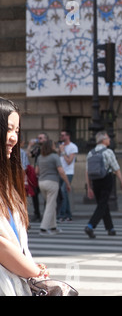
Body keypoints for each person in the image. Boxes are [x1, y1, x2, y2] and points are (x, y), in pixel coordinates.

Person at [0, 97, 49, 295]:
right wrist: (36, 272)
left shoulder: (8, 185)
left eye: (17, 131)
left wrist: (28, 266)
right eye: (8, 129)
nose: (13, 137)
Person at [84, 131, 122, 239]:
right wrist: (121, 182)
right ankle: (90, 226)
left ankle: (110, 228)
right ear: (103, 140)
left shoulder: (90, 153)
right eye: (107, 138)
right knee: (102, 204)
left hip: (95, 180)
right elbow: (116, 168)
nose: (109, 140)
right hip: (106, 179)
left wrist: (89, 187)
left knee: (103, 203)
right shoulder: (108, 152)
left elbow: (87, 172)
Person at [35, 140, 72, 236]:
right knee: (50, 205)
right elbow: (61, 171)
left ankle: (53, 227)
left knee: (51, 204)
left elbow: (36, 171)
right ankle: (43, 228)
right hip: (52, 182)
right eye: (54, 145)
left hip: (41, 182)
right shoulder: (54, 157)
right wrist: (67, 183)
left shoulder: (40, 157)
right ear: (51, 146)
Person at [26, 132, 48, 222]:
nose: (39, 140)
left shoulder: (48, 149)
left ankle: (46, 214)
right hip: (36, 175)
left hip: (45, 175)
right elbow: (29, 154)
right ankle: (37, 213)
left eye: (41, 138)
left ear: (46, 139)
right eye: (38, 138)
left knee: (46, 196)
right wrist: (29, 145)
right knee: (34, 194)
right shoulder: (37, 149)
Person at [57, 130, 78, 222]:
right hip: (60, 172)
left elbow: (69, 161)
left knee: (63, 190)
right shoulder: (61, 146)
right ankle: (68, 214)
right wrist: (59, 150)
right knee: (62, 193)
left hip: (68, 172)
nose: (61, 137)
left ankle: (62, 214)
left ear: (68, 136)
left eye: (63, 135)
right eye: (61, 135)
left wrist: (63, 151)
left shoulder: (73, 147)